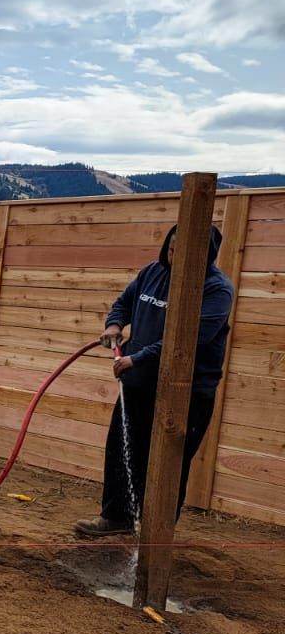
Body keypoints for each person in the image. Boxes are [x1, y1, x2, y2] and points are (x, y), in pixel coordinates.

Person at [74, 224, 234, 538]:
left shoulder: (216, 290)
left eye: (184, 250)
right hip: (138, 383)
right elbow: (124, 302)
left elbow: (189, 340)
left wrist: (138, 357)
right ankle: (116, 517)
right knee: (122, 449)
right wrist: (114, 324)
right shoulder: (152, 273)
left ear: (206, 255)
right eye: (172, 248)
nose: (175, 255)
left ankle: (155, 532)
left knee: (170, 461)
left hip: (186, 392)